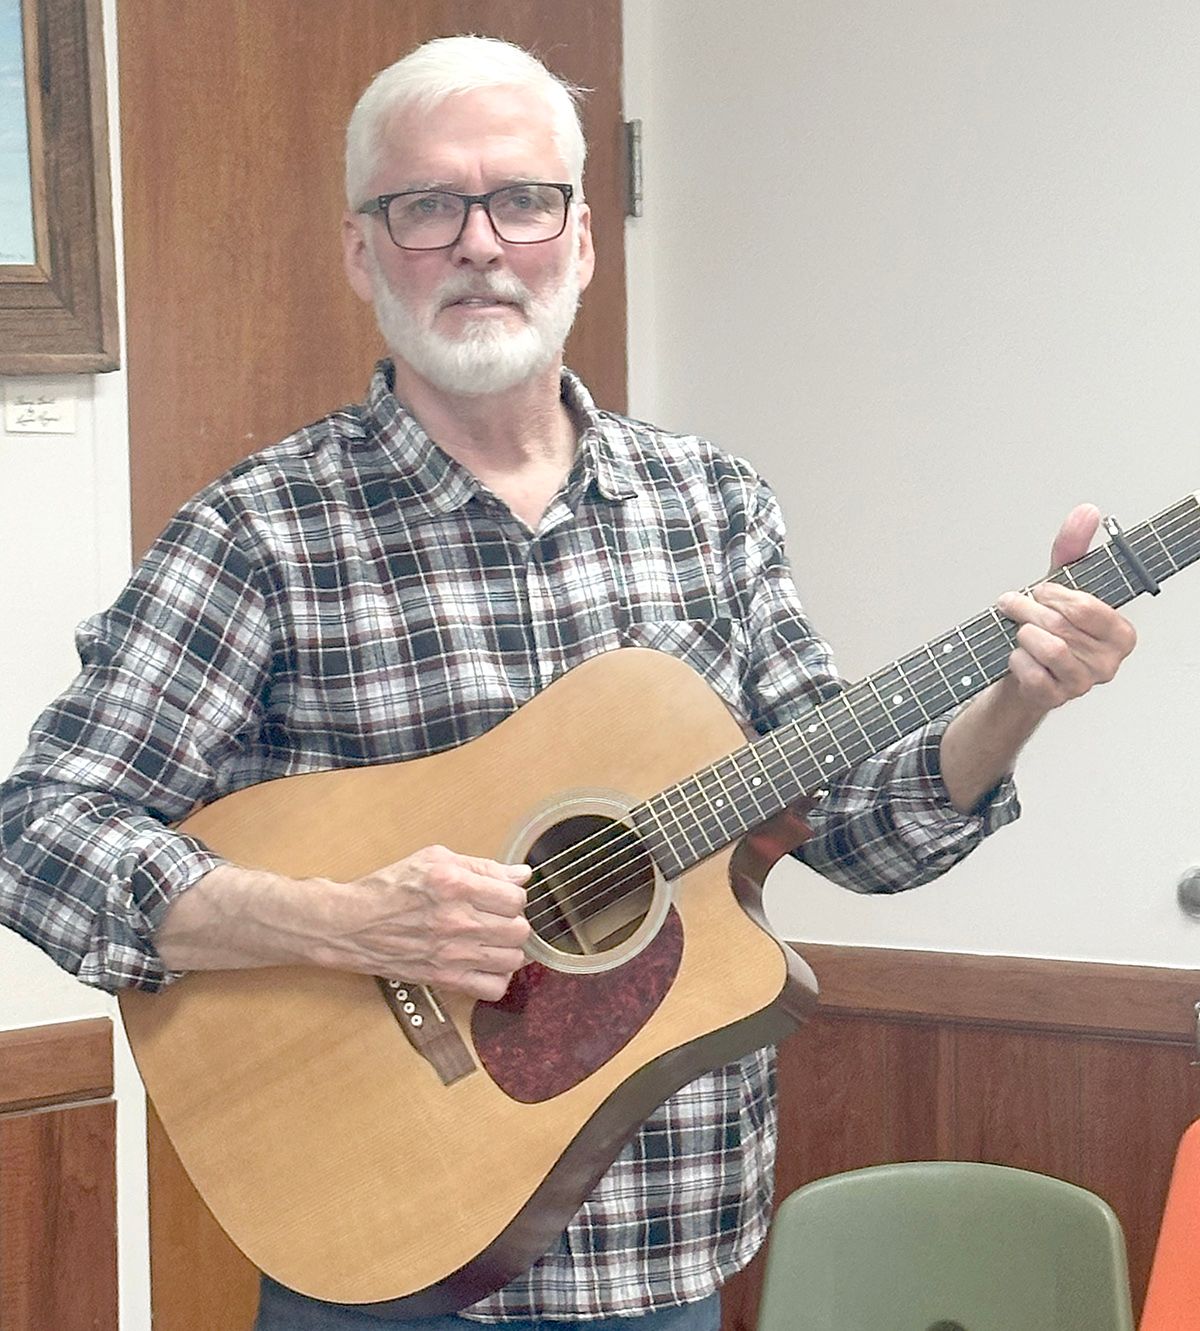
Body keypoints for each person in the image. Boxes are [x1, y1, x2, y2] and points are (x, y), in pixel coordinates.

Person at [0, 33, 1135, 1331]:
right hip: (381, 1254)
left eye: (522, 199)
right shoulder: (264, 535)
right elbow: (38, 838)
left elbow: (853, 827)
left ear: (582, 240)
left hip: (661, 1250)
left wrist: (1017, 702)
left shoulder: (710, 506)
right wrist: (342, 921)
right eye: (427, 206)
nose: (480, 242)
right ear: (362, 254)